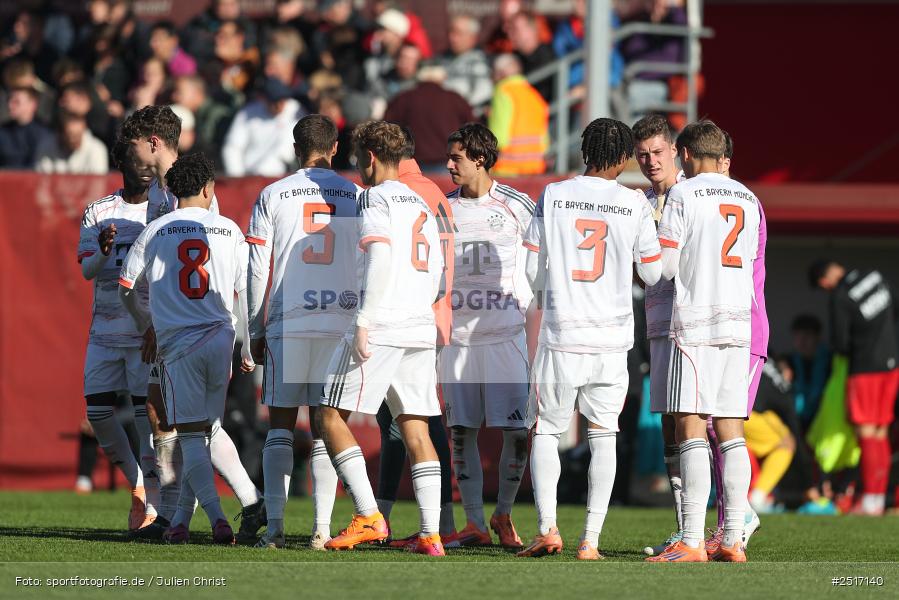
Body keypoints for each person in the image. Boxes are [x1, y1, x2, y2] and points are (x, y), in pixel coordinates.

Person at [120, 105, 265, 543]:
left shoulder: (157, 228)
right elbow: (246, 288)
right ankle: (181, 520)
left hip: (178, 342)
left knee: (190, 434)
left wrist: (148, 321)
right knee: (209, 428)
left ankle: (236, 510)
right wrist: (246, 344)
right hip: (220, 336)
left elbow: (126, 285)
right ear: (208, 188)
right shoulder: (227, 228)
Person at [519, 118, 662, 560]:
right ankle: (590, 541)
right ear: (622, 157)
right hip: (612, 340)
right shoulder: (634, 202)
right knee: (604, 437)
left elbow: (529, 271)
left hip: (562, 335)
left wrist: (552, 292)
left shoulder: (555, 194)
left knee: (546, 432)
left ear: (585, 151)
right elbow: (654, 273)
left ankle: (548, 529)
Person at [316, 121, 445, 555]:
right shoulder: (421, 201)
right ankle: (430, 533)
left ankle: (370, 515)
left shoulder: (375, 196)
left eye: (358, 160)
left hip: (383, 321)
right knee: (416, 427)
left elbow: (382, 254)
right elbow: (440, 276)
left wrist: (365, 319)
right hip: (418, 323)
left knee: (329, 415)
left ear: (369, 157)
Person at [648, 120, 760, 563]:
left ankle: (692, 538)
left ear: (688, 155)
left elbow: (665, 268)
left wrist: (643, 253)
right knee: (732, 432)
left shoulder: (684, 193)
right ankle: (732, 538)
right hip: (738, 323)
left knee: (690, 427)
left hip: (695, 323)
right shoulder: (749, 198)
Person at [246, 115, 360, 550]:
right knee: (325, 424)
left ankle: (274, 529)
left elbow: (258, 267)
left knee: (280, 426)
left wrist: (255, 325)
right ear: (334, 148)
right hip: (338, 321)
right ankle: (322, 530)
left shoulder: (272, 194)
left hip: (288, 317)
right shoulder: (355, 194)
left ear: (295, 148)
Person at [441, 123, 534, 548]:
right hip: (457, 340)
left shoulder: (518, 205)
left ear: (480, 158)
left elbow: (543, 258)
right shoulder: (442, 207)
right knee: (462, 431)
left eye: (456, 157)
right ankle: (474, 522)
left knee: (517, 432)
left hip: (505, 337)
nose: (449, 165)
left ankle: (503, 514)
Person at [77, 139, 166, 532]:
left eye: (149, 159)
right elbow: (87, 271)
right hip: (104, 330)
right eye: (136, 159)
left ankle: (155, 505)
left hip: (144, 331)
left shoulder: (164, 207)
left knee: (146, 420)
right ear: (121, 163)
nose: (145, 166)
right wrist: (101, 249)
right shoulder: (99, 211)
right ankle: (138, 486)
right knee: (97, 413)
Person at [376, 127, 458, 547]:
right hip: (433, 314)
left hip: (407, 312)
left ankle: (383, 515)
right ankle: (437, 520)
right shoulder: (433, 190)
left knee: (401, 421)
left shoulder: (397, 192)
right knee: (418, 417)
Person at [704, 130, 766, 554]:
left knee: (726, 425)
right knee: (710, 425)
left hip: (746, 329)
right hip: (720, 326)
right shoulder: (747, 200)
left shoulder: (739, 201)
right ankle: (729, 519)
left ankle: (739, 517)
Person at [631, 114, 685, 557]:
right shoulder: (641, 202)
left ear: (675, 151)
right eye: (642, 154)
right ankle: (685, 525)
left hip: (695, 323)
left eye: (657, 152)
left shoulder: (692, 196)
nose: (650, 161)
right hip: (658, 323)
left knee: (699, 421)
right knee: (670, 422)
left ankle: (733, 513)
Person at [808, 259, 899, 515]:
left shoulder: (840, 296)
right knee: (881, 431)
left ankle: (870, 500)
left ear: (824, 282)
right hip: (891, 364)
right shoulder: (874, 273)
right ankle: (877, 497)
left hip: (864, 369)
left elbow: (840, 343)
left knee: (867, 431)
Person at [383, 66, 475, 170]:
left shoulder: (405, 98)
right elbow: (472, 127)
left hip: (413, 161)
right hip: (446, 160)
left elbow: (388, 127)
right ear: (441, 79)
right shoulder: (454, 98)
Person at [222, 77, 305, 177]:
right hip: (249, 177)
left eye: (282, 100)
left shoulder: (296, 111)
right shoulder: (248, 113)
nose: (279, 105)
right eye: (274, 101)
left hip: (282, 177)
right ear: (264, 99)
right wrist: (238, 178)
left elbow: (289, 149)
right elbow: (233, 147)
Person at [488, 54, 548, 177]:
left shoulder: (503, 91)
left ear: (501, 72)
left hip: (508, 168)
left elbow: (499, 136)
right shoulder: (533, 94)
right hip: (534, 167)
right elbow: (544, 139)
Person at [440, 15, 493, 113]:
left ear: (472, 38)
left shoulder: (480, 63)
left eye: (458, 33)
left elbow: (482, 97)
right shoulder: (441, 59)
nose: (452, 38)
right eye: (451, 32)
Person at [35, 109, 109, 174]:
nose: (74, 140)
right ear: (60, 134)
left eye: (78, 135)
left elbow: (98, 186)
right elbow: (42, 183)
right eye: (70, 135)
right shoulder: (46, 147)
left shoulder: (97, 149)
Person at [0, 86, 51, 168]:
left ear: (32, 104)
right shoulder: (3, 131)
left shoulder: (44, 134)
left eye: (16, 102)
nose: (10, 105)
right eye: (9, 100)